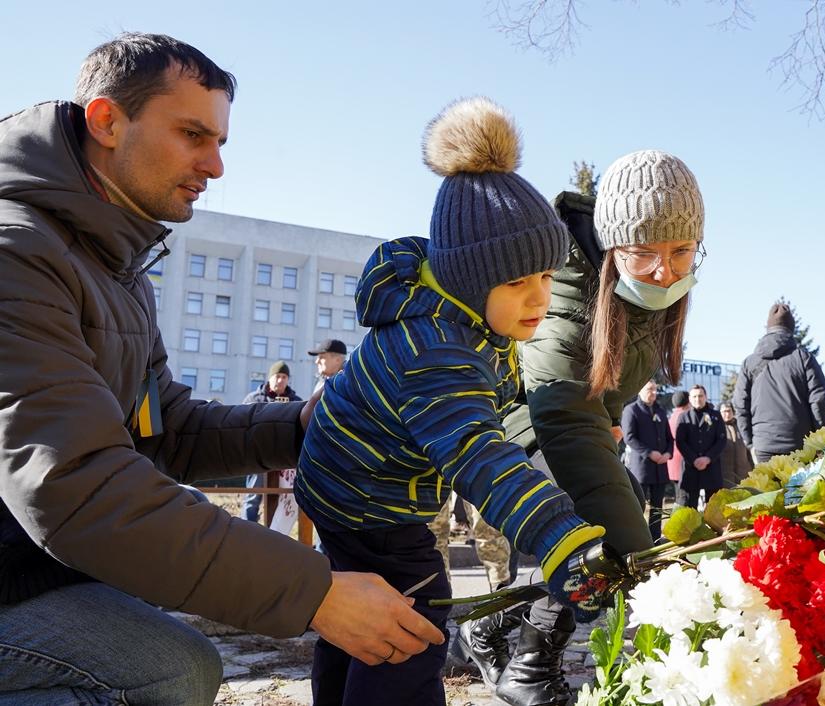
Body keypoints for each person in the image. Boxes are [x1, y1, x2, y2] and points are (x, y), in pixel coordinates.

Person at [0, 33, 442, 705]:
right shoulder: (17, 252)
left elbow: (165, 431)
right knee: (169, 670)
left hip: (34, 564)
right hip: (22, 567)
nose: (215, 165)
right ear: (106, 121)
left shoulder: (117, 266)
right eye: (192, 135)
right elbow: (72, 486)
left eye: (221, 143)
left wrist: (306, 424)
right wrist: (315, 592)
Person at [293, 97, 609, 706]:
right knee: (411, 627)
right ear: (468, 278)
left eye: (545, 277)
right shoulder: (436, 348)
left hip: (345, 486)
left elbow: (493, 407)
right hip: (372, 503)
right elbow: (473, 451)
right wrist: (558, 535)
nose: (538, 298)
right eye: (516, 282)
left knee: (355, 619)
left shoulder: (459, 323)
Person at [458, 149, 707, 706]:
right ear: (613, 243)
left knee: (602, 537)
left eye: (681, 251)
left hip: (576, 423)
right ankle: (529, 665)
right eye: (644, 253)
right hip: (512, 428)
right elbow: (564, 416)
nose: (664, 270)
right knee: (594, 537)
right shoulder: (564, 286)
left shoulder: (650, 293)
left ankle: (495, 629)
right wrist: (647, 566)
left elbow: (602, 392)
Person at [733, 302, 825, 463]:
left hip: (763, 445)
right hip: (800, 444)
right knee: (801, 488)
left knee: (768, 488)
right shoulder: (803, 358)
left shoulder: (749, 363)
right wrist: (820, 437)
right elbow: (818, 400)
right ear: (791, 329)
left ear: (768, 328)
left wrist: (750, 442)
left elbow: (740, 405)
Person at [240, 361, 303, 523]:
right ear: (270, 378)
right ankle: (247, 534)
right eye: (277, 376)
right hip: (258, 456)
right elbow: (240, 426)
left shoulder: (296, 401)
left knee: (284, 499)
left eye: (284, 377)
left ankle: (274, 536)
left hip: (285, 460)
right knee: (253, 496)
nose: (280, 380)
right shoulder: (254, 399)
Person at [621, 380, 673, 540]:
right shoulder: (632, 410)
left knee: (658, 507)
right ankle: (637, 538)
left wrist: (668, 454)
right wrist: (649, 453)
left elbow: (670, 438)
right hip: (642, 468)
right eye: (650, 389)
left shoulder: (660, 411)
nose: (653, 393)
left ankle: (654, 538)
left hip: (660, 468)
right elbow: (629, 437)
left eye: (655, 390)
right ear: (640, 391)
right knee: (639, 506)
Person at [676, 385, 727, 509]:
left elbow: (721, 440)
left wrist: (708, 458)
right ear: (689, 398)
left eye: (700, 396)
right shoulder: (684, 417)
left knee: (714, 508)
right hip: (690, 468)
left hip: (711, 466)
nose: (697, 399)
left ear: (706, 397)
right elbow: (680, 442)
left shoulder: (716, 416)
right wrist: (694, 459)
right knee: (688, 508)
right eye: (694, 396)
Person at [719, 401, 754, 487]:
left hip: (743, 473)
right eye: (724, 412)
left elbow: (748, 446)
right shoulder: (717, 427)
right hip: (725, 474)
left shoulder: (741, 426)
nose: (727, 414)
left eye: (729, 411)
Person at [667, 389, 691, 504]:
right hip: (683, 462)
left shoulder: (672, 416)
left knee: (679, 496)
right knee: (684, 498)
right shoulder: (684, 416)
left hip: (673, 463)